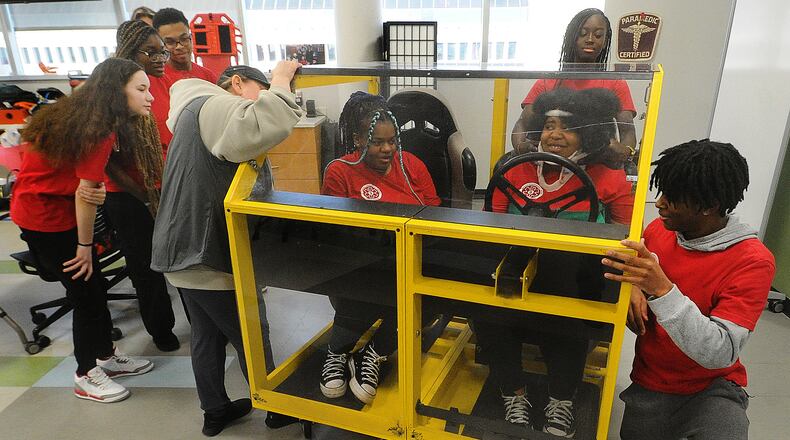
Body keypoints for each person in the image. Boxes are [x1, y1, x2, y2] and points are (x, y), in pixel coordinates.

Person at [150, 62, 303, 437]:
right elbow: (265, 123)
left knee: (206, 334)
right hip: (207, 254)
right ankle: (277, 408)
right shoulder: (215, 105)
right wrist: (282, 78)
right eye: (259, 87)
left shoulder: (189, 111)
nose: (262, 94)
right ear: (236, 83)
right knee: (252, 331)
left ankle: (215, 410)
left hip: (180, 250)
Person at [481, 87, 634, 438]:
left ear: (587, 133)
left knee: (572, 317)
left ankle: (561, 400)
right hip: (517, 279)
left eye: (567, 127)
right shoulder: (514, 170)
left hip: (576, 282)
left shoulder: (608, 178)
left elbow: (625, 236)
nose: (554, 134)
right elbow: (491, 227)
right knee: (486, 312)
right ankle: (513, 393)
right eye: (549, 125)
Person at [601, 140, 776, 440]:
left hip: (711, 388)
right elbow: (631, 268)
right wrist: (634, 287)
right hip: (651, 383)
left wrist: (661, 290)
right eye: (662, 191)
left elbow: (721, 352)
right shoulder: (659, 231)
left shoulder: (753, 261)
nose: (659, 204)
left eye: (673, 198)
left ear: (709, 206)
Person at [10, 58, 154, 403]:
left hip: (41, 208)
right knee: (87, 297)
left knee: (95, 288)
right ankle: (85, 374)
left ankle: (106, 356)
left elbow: (83, 188)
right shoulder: (98, 130)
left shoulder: (76, 111)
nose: (149, 97)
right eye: (141, 89)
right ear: (115, 92)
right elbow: (86, 193)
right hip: (47, 219)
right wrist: (84, 246)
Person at [319, 92, 440, 405]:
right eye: (377, 142)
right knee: (367, 283)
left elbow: (437, 216)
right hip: (363, 264)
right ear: (359, 140)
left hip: (409, 261)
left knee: (434, 293)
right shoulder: (339, 172)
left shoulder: (412, 166)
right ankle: (337, 352)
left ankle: (374, 352)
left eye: (393, 140)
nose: (388, 149)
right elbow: (336, 233)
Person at [110, 19, 179, 352]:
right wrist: (144, 197)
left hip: (163, 188)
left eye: (161, 51)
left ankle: (204, 324)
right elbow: (107, 159)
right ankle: (161, 330)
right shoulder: (113, 91)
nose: (160, 57)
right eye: (150, 52)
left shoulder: (159, 83)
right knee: (146, 265)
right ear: (128, 52)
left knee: (182, 258)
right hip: (129, 197)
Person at [511, 8, 638, 171]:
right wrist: (521, 147)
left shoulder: (614, 83)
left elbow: (627, 128)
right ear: (572, 37)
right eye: (583, 33)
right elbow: (522, 124)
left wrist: (625, 151)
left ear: (606, 41)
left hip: (596, 166)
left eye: (598, 35)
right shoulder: (548, 82)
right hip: (550, 165)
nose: (590, 39)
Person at [152, 8, 218, 84]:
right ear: (159, 44)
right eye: (170, 42)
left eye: (184, 39)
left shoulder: (208, 77)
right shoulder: (155, 79)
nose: (179, 46)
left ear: (191, 36)